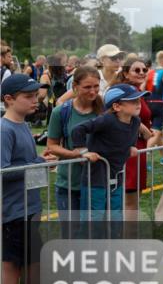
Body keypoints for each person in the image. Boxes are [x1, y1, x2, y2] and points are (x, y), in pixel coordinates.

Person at [2, 74, 58, 284]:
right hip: (13, 209)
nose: (35, 101)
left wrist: (39, 160)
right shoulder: (5, 130)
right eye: (28, 97)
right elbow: (3, 170)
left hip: (28, 205)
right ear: (9, 99)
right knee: (12, 263)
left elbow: (22, 161)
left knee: (31, 259)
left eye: (36, 96)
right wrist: (37, 164)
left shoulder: (21, 125)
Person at [71, 83, 152, 236]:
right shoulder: (106, 120)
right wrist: (83, 151)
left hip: (117, 177)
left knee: (116, 217)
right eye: (133, 101)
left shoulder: (135, 122)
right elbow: (78, 130)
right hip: (96, 178)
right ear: (116, 106)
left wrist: (131, 147)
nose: (138, 103)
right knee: (94, 218)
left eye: (139, 100)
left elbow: (129, 138)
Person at [45, 66, 103, 238]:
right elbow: (52, 146)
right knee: (71, 234)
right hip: (69, 184)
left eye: (96, 86)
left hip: (98, 182)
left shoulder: (104, 109)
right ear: (75, 87)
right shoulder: (61, 112)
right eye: (87, 87)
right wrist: (76, 155)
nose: (93, 91)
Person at [116, 58, 153, 231]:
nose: (142, 73)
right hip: (128, 150)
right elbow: (113, 113)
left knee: (134, 199)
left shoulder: (137, 90)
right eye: (136, 70)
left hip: (139, 150)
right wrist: (140, 125)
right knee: (129, 201)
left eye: (144, 70)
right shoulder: (121, 91)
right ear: (125, 73)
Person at [146, 51, 163, 152]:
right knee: (156, 133)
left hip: (148, 103)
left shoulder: (149, 72)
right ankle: (142, 154)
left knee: (159, 132)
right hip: (160, 105)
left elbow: (143, 87)